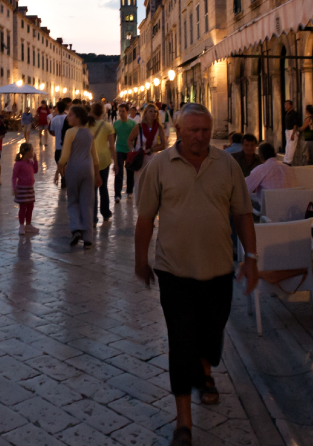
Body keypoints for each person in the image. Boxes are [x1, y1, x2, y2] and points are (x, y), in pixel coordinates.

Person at [135, 103, 257, 445]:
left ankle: (205, 372)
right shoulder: (159, 166)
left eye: (205, 130)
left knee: (211, 333)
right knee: (180, 341)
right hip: (174, 271)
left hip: (219, 269)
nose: (201, 137)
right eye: (193, 131)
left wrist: (252, 257)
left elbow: (243, 214)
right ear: (178, 130)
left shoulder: (227, 165)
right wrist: (140, 259)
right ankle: (183, 422)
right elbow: (145, 218)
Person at [55, 104, 101, 249]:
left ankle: (76, 228)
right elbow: (95, 157)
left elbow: (65, 156)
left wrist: (58, 169)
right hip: (88, 170)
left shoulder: (70, 132)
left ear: (78, 117)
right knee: (87, 204)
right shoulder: (89, 133)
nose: (67, 117)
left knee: (73, 201)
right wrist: (98, 174)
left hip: (74, 169)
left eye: (70, 115)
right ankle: (88, 239)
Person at [127, 104, 167, 197]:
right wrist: (133, 151)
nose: (153, 113)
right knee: (139, 183)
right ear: (145, 114)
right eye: (151, 111)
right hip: (140, 160)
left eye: (155, 111)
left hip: (153, 159)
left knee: (153, 184)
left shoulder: (159, 128)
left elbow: (163, 145)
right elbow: (129, 140)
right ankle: (139, 205)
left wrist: (150, 150)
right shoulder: (139, 127)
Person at [88, 102, 117, 224]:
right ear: (103, 113)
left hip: (90, 158)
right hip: (104, 159)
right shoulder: (107, 126)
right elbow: (111, 146)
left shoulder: (86, 125)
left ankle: (93, 218)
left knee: (92, 189)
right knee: (103, 187)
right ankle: (105, 213)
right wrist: (116, 162)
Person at [12, 141, 39, 235]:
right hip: (22, 189)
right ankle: (21, 226)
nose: (33, 152)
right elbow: (14, 177)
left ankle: (28, 225)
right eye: (32, 151)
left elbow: (35, 171)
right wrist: (14, 188)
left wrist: (36, 161)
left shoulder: (30, 162)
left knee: (30, 207)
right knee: (23, 207)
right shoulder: (18, 164)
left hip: (30, 189)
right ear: (27, 153)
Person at [113, 103, 136, 202]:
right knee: (118, 173)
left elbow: (136, 138)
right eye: (120, 111)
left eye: (123, 111)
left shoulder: (133, 124)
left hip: (130, 151)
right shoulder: (116, 124)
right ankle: (117, 194)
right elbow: (113, 139)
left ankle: (129, 191)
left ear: (127, 112)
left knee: (130, 172)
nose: (121, 113)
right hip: (119, 150)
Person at [49, 101, 68, 187]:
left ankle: (62, 176)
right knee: (66, 162)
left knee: (59, 161)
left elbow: (52, 132)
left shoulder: (54, 119)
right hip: (67, 144)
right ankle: (65, 177)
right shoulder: (67, 118)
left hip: (58, 145)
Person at [283, 100, 301, 165]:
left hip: (292, 131)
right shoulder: (287, 113)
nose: (286, 106)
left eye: (287, 104)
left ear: (291, 105)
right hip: (287, 131)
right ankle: (285, 160)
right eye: (285, 105)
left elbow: (295, 124)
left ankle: (289, 161)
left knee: (291, 147)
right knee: (287, 146)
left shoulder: (293, 113)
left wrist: (293, 133)